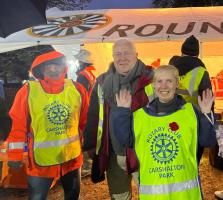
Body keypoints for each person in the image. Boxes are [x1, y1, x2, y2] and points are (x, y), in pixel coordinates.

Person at [112, 65, 216, 200]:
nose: (164, 86)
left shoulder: (191, 112)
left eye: (169, 81)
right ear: (153, 85)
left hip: (186, 195)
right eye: (159, 81)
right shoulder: (140, 116)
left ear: (177, 83)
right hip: (154, 195)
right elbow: (125, 140)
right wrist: (122, 112)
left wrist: (206, 114)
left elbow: (208, 141)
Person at [6, 51, 89, 200]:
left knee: (73, 196)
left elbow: (83, 120)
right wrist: (15, 155)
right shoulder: (28, 91)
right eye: (48, 66)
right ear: (41, 70)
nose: (53, 69)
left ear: (64, 68)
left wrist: (86, 140)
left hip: (71, 158)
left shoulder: (77, 89)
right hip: (41, 163)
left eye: (56, 65)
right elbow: (18, 126)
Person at [83, 39, 154, 199]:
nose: (122, 58)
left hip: (145, 150)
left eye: (127, 53)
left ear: (136, 54)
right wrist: (90, 145)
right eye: (118, 54)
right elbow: (94, 115)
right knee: (119, 195)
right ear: (113, 57)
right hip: (113, 152)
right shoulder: (102, 82)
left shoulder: (152, 78)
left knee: (151, 193)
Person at [169, 35, 213, 163]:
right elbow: (208, 98)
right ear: (197, 54)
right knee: (192, 161)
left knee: (173, 157)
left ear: (182, 51)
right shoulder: (201, 72)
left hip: (170, 119)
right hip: (194, 122)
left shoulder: (170, 68)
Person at [75, 49, 96, 177]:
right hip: (91, 108)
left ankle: (87, 165)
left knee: (82, 136)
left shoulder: (82, 75)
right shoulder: (91, 73)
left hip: (84, 109)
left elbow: (79, 94)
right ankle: (90, 164)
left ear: (82, 61)